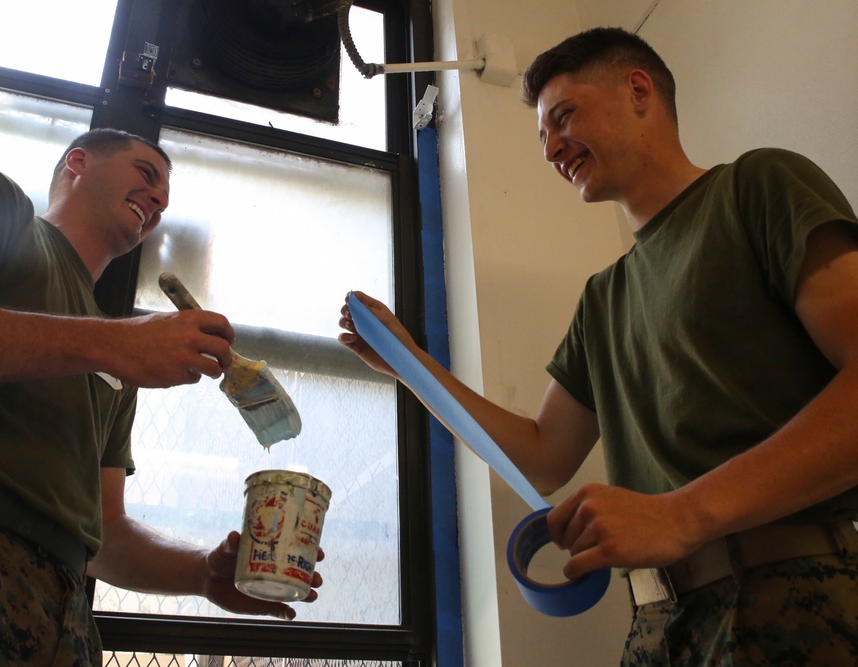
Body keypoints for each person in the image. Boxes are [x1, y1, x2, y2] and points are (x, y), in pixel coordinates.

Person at [339, 27, 857, 666]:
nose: (553, 148)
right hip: (657, 624)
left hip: (792, 592)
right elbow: (544, 456)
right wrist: (410, 363)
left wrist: (682, 515)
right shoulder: (603, 298)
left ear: (638, 90)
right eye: (542, 137)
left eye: (563, 117)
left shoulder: (757, 187)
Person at [0, 128, 322, 666]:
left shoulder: (116, 361)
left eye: (165, 198)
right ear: (78, 162)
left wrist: (204, 572)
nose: (157, 199)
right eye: (145, 175)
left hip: (62, 613)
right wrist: (113, 342)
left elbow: (107, 535)